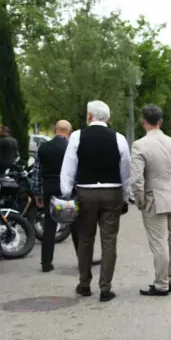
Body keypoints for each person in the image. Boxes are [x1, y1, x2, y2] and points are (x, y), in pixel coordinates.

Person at [60, 100, 131, 302]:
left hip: (86, 192)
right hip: (112, 192)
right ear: (107, 118)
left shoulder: (77, 136)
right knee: (109, 241)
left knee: (85, 239)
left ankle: (84, 283)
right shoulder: (119, 138)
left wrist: (66, 192)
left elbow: (69, 166)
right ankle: (105, 288)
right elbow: (125, 168)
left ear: (90, 116)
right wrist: (125, 195)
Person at [130, 104, 171, 297]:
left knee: (159, 242)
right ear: (161, 121)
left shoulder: (139, 145)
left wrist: (139, 201)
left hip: (154, 199)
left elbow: (136, 179)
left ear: (143, 121)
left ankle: (161, 283)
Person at [35, 120, 95, 272]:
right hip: (69, 187)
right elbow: (78, 169)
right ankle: (83, 259)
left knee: (49, 223)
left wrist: (37, 192)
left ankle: (46, 263)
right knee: (76, 223)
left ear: (55, 129)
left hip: (49, 186)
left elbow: (36, 171)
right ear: (70, 131)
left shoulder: (43, 147)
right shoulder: (72, 147)